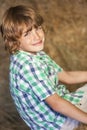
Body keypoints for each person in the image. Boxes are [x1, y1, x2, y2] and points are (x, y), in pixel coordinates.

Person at [0, 5, 87, 130]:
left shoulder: (34, 53)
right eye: (27, 34)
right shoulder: (27, 66)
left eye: (38, 28)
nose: (37, 36)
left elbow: (67, 77)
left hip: (63, 107)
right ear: (14, 41)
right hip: (59, 123)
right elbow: (56, 104)